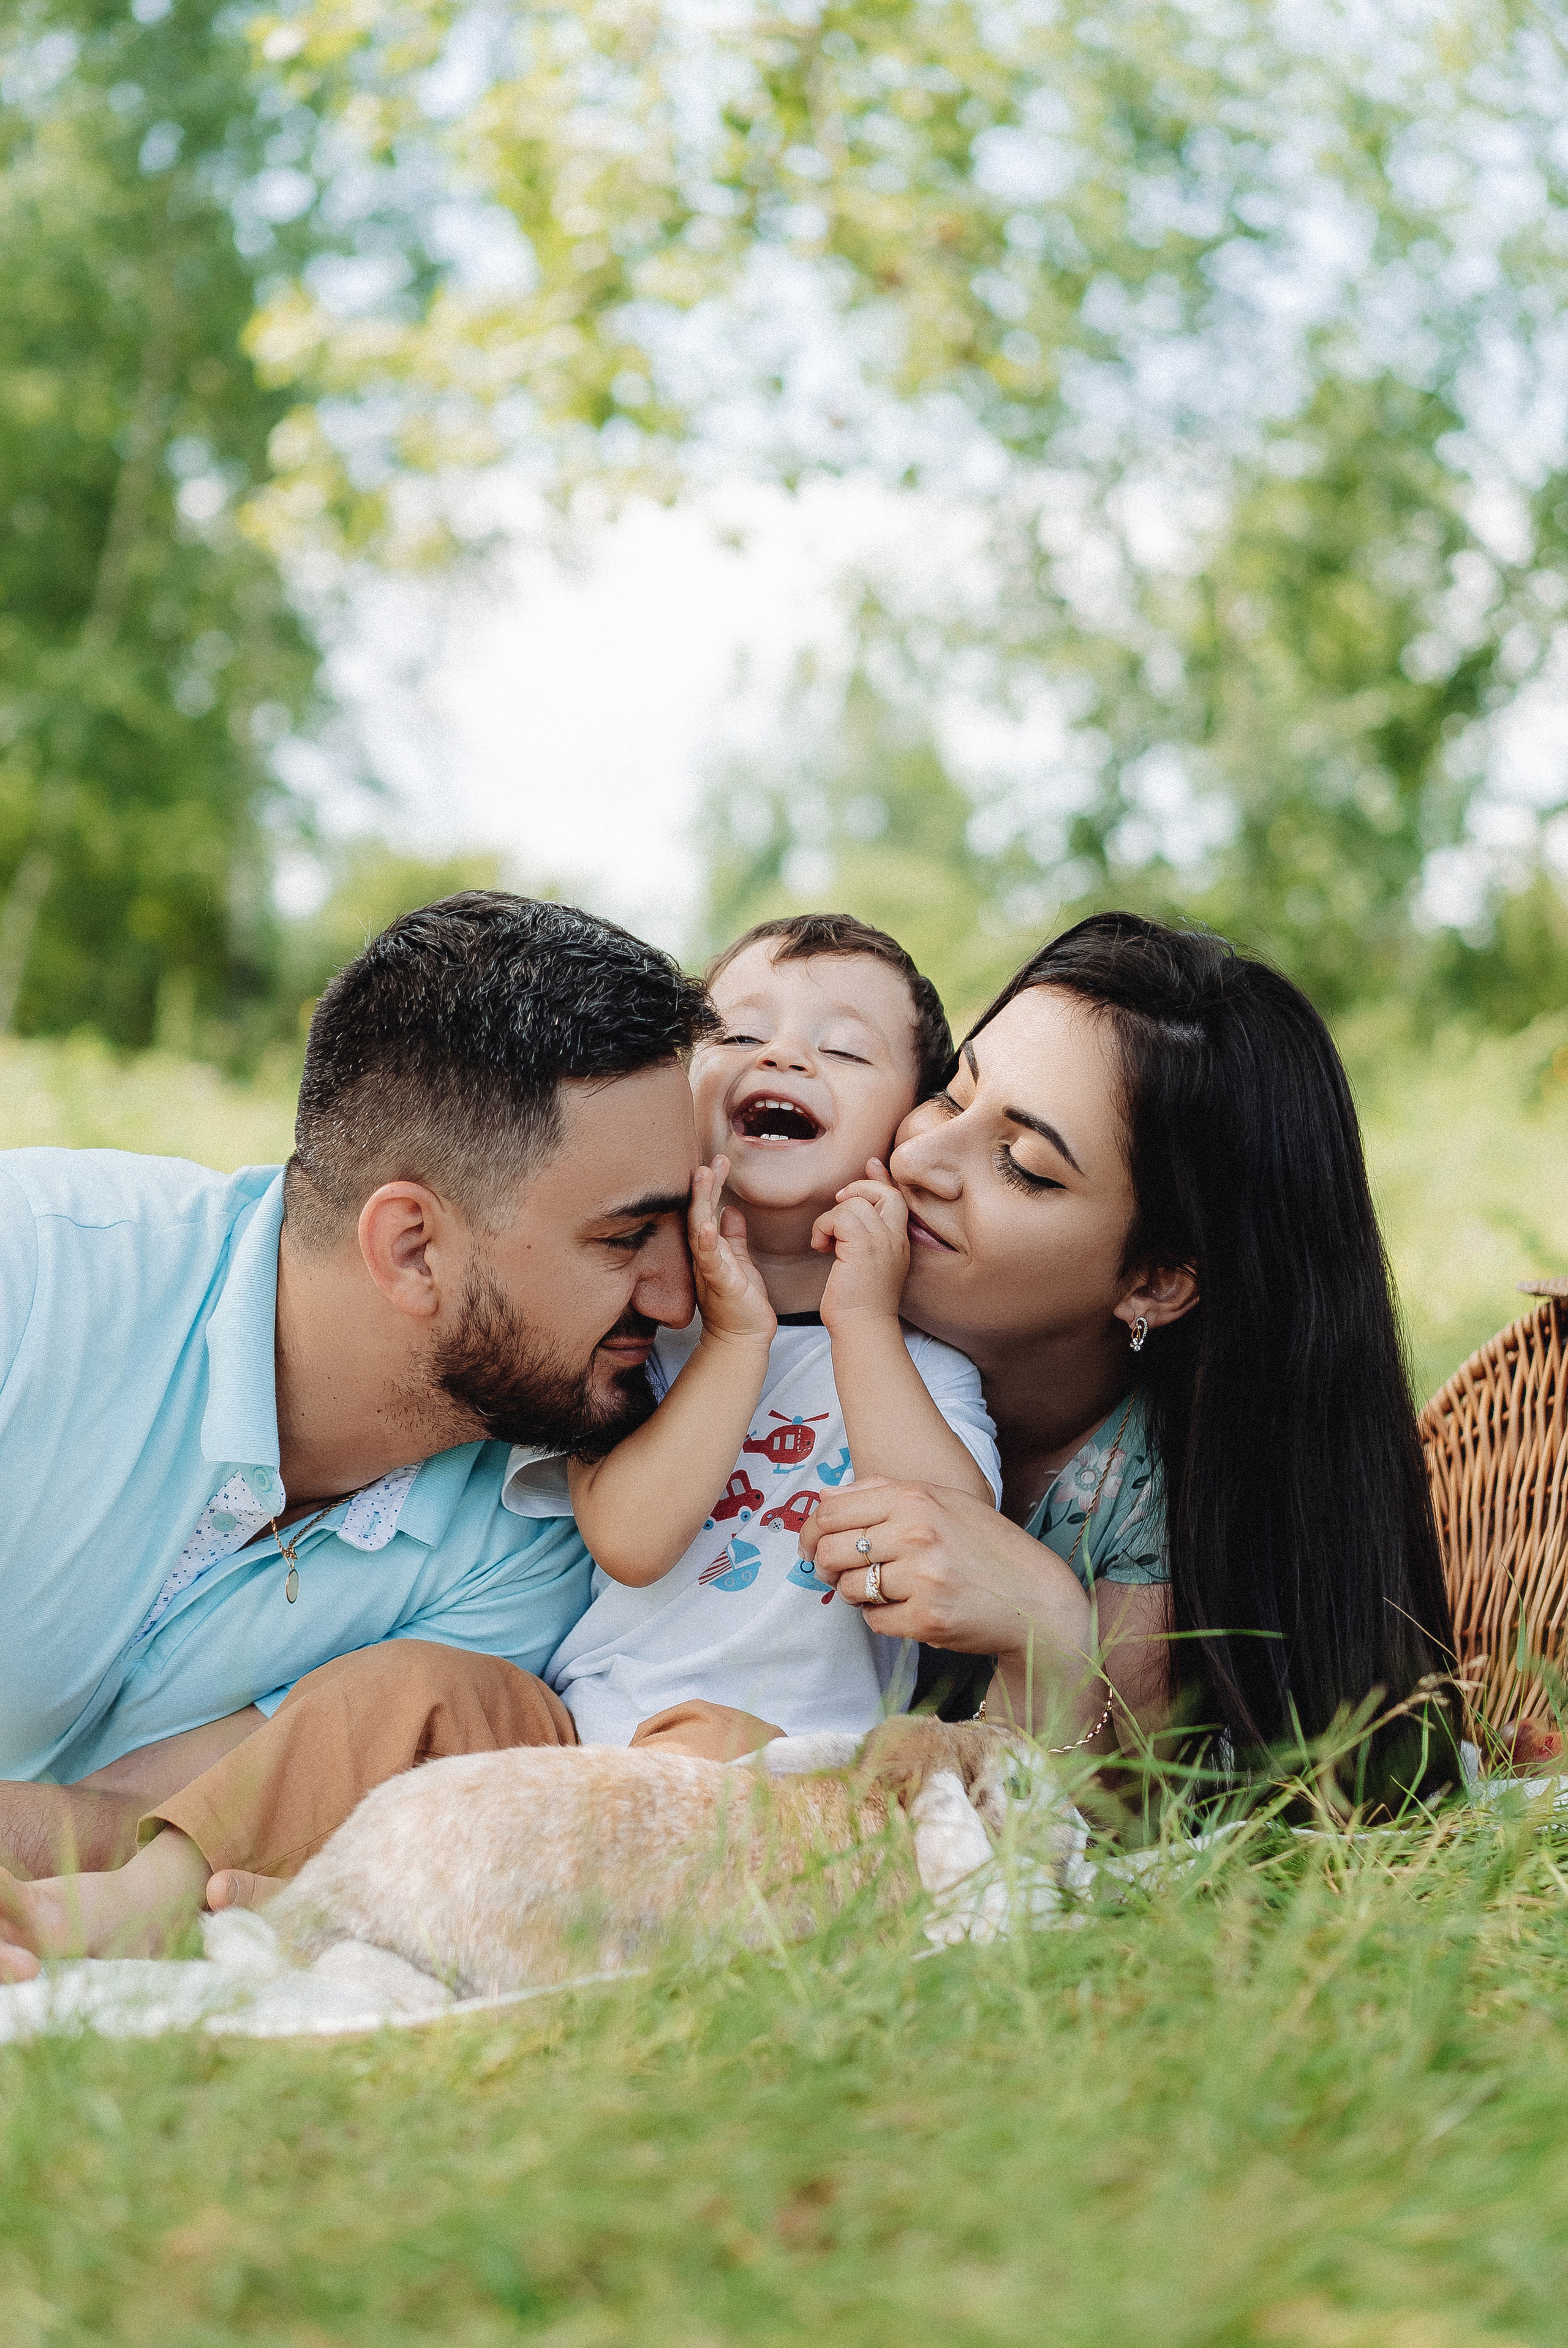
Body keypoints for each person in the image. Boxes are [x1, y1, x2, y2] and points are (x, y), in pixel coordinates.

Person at [0, 891, 724, 1976]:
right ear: (412, 1247)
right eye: (627, 1237)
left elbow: (133, 1820)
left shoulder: (534, 1533)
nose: (677, 1299)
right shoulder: (39, 1274)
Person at [799, 912, 1457, 1801]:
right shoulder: (789, 1308)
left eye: (1023, 1163)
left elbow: (1102, 1835)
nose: (921, 1157)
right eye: (955, 1093)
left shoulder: (1158, 1507)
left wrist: (1048, 1627)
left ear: (1154, 1280)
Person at [542, 913, 998, 1746]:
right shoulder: (636, 1325)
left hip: (809, 1773)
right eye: (741, 1032)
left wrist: (860, 1320)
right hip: (594, 1738)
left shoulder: (925, 1371)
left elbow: (954, 1559)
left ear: (907, 1132)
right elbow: (631, 1539)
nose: (782, 1056)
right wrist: (733, 1339)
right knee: (421, 1699)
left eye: (847, 1050)